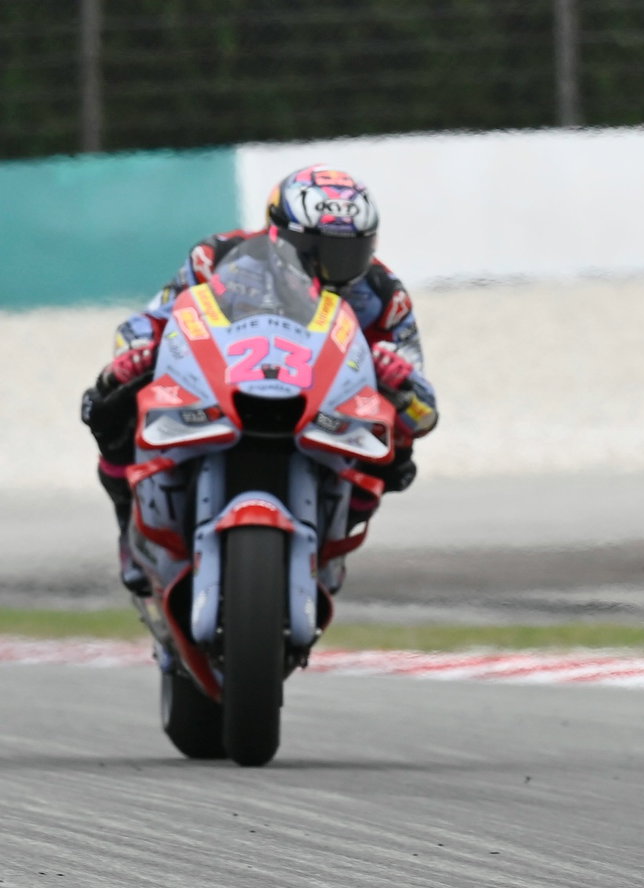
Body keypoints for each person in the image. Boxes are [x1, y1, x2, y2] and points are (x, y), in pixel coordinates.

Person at [80, 165, 438, 593]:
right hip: (225, 379)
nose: (326, 267)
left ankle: (339, 538)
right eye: (311, 250)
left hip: (329, 405)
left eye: (346, 253)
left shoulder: (383, 295)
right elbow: (150, 318)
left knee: (398, 442)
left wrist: (401, 383)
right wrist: (135, 350)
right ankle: (130, 525)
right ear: (277, 235)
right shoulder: (217, 257)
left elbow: (424, 409)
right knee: (108, 404)